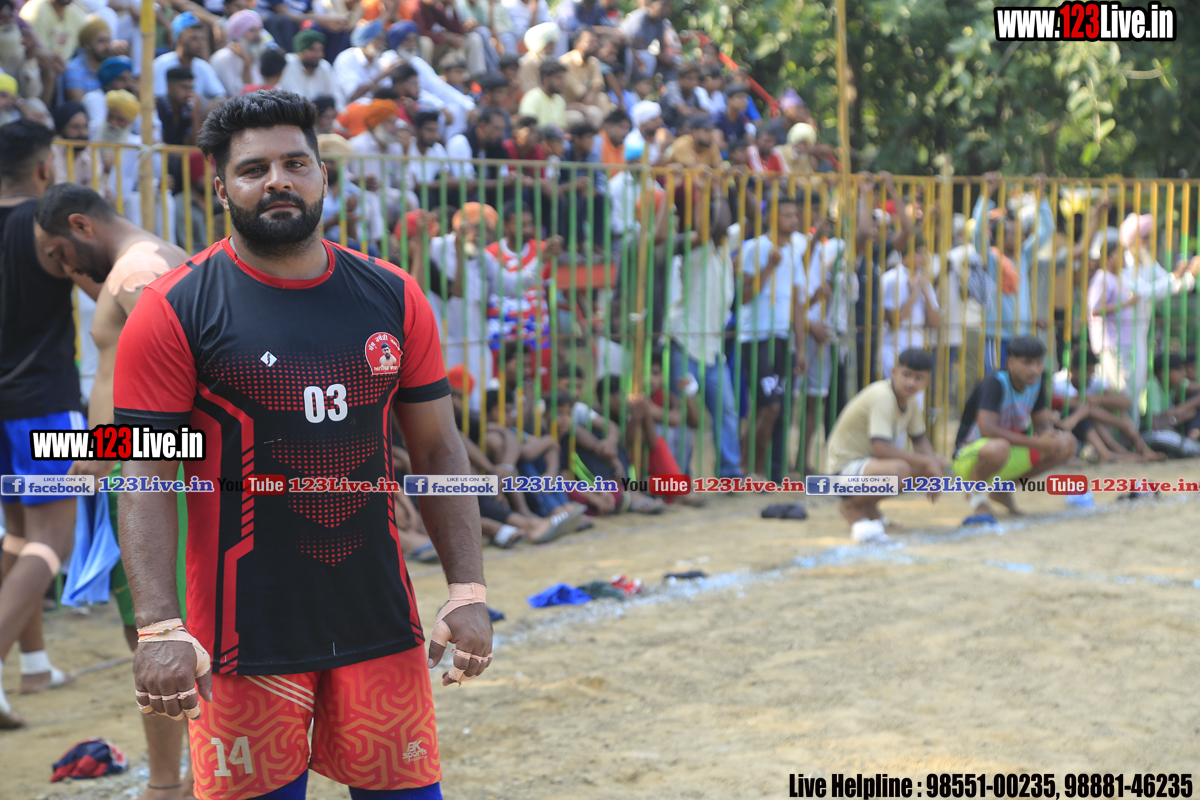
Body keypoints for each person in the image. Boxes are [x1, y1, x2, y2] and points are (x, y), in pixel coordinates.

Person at [113, 90, 489, 797]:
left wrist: (467, 589)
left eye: (295, 163)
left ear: (323, 174)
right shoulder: (172, 309)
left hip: (378, 620)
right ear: (221, 187)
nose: (278, 181)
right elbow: (145, 474)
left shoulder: (394, 294)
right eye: (254, 169)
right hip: (240, 638)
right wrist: (159, 627)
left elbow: (439, 450)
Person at [32, 182, 195, 798]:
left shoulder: (141, 271)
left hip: (155, 474)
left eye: (62, 255)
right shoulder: (141, 264)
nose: (65, 270)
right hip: (149, 467)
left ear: (81, 225)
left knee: (159, 629)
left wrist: (107, 452)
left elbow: (195, 359)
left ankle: (170, 783)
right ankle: (174, 778)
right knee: (159, 628)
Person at [0, 120, 80, 729]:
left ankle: (33, 664)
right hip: (44, 408)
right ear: (45, 169)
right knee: (54, 540)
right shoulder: (49, 228)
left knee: (19, 536)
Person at [824, 348, 946, 542]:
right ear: (894, 372)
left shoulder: (911, 401)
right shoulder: (883, 396)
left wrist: (934, 468)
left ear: (926, 381)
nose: (911, 382)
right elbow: (881, 449)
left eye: (918, 378)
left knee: (938, 463)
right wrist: (927, 462)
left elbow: (920, 440)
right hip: (841, 471)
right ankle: (851, 506)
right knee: (899, 470)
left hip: (866, 467)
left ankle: (869, 508)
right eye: (906, 375)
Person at [952, 336, 1076, 523]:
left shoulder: (1036, 382)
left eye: (1038, 363)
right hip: (970, 455)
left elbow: (1040, 422)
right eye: (1027, 363)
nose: (1034, 369)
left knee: (1066, 443)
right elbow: (987, 429)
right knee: (998, 447)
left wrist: (1049, 437)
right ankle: (975, 496)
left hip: (1007, 450)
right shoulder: (995, 383)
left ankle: (1002, 490)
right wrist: (1037, 443)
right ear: (1010, 363)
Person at [666, 190, 742, 480]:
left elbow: (749, 219)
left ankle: (730, 473)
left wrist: (724, 188)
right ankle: (679, 476)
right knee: (684, 412)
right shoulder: (696, 249)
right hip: (685, 344)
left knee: (727, 411)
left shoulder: (724, 246)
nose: (726, 221)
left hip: (713, 349)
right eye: (720, 215)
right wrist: (708, 190)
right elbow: (715, 227)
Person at [737, 194, 811, 480]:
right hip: (755, 337)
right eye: (787, 215)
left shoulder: (793, 253)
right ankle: (748, 468)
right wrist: (768, 267)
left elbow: (797, 305)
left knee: (774, 409)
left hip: (781, 338)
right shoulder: (754, 248)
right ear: (771, 218)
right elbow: (743, 296)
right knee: (770, 407)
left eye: (796, 215)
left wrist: (800, 348)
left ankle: (764, 469)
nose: (794, 220)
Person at [879, 234, 940, 381]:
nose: (923, 257)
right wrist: (913, 296)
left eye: (925, 253)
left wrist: (925, 293)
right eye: (918, 252)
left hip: (917, 346)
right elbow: (894, 322)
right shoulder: (891, 278)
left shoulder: (924, 280)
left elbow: (935, 323)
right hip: (894, 348)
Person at [152, 13, 228, 104]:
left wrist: (216, 103)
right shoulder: (160, 64)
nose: (200, 43)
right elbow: (158, 100)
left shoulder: (203, 66)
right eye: (194, 38)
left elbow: (221, 96)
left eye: (203, 39)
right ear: (180, 38)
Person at [332, 18, 400, 108]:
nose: (383, 44)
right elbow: (353, 95)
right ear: (366, 39)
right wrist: (381, 75)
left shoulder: (378, 62)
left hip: (373, 110)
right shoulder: (347, 58)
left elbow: (386, 93)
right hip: (349, 111)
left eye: (384, 40)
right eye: (378, 39)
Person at [558, 27, 608, 128]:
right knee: (584, 115)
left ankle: (605, 134)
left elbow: (598, 85)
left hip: (585, 103)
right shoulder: (566, 63)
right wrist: (591, 94)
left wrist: (591, 95)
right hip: (567, 106)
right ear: (577, 44)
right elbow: (580, 93)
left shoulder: (593, 61)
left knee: (602, 99)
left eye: (595, 42)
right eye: (590, 42)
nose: (595, 45)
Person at [209, 8, 267, 97]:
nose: (257, 35)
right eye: (252, 30)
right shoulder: (223, 58)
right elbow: (239, 96)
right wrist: (247, 66)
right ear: (239, 34)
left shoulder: (256, 54)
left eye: (259, 30)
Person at [621, 0, 678, 80]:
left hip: (640, 52)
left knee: (671, 63)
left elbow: (662, 44)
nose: (666, 9)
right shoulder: (641, 17)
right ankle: (642, 83)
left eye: (668, 7)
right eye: (663, 6)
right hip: (627, 50)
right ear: (652, 5)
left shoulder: (659, 21)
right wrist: (660, 57)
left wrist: (666, 58)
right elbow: (638, 45)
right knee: (649, 57)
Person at [18, 0, 89, 63]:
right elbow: (37, 51)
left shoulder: (74, 11)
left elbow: (88, 40)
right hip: (40, 67)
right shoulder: (35, 9)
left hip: (66, 66)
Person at [63, 15, 111, 101]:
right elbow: (79, 102)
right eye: (101, 41)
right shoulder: (74, 68)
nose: (107, 46)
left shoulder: (111, 65)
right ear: (87, 45)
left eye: (108, 41)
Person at [279, 28, 337, 100]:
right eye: (312, 50)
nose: (319, 55)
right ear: (300, 51)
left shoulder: (324, 66)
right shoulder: (288, 64)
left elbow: (332, 96)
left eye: (321, 50)